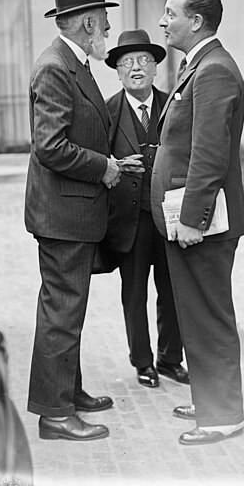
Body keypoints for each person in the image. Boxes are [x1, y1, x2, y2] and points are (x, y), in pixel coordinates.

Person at [24, 0, 142, 442]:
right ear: (88, 22)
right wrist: (106, 168)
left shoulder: (73, 62)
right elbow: (50, 146)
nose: (110, 31)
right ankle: (55, 415)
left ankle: (67, 393)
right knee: (61, 312)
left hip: (71, 213)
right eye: (106, 22)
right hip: (64, 215)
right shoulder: (55, 67)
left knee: (67, 310)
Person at [150, 0, 244, 445]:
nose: (163, 21)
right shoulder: (199, 65)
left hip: (202, 222)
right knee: (196, 312)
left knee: (209, 314)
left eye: (171, 13)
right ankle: (211, 397)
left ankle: (223, 415)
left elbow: (210, 154)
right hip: (192, 218)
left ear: (197, 21)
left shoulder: (214, 71)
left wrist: (192, 219)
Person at [101, 29, 188, 389]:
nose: (136, 68)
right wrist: (115, 164)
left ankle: (170, 359)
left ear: (155, 69)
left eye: (144, 61)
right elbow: (96, 159)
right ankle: (143, 362)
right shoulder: (107, 112)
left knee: (172, 291)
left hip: (167, 218)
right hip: (129, 220)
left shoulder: (175, 105)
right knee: (134, 292)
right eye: (127, 62)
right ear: (118, 72)